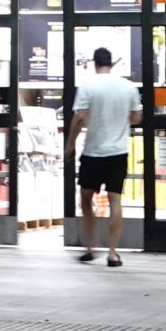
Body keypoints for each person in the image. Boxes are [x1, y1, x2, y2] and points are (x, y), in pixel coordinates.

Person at [67, 45, 142, 267]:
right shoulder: (128, 87)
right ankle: (112, 253)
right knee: (115, 200)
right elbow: (136, 118)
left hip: (93, 151)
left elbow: (79, 117)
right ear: (112, 63)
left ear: (94, 63)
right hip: (118, 153)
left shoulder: (88, 86)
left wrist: (70, 145)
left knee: (85, 198)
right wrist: (120, 120)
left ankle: (90, 247)